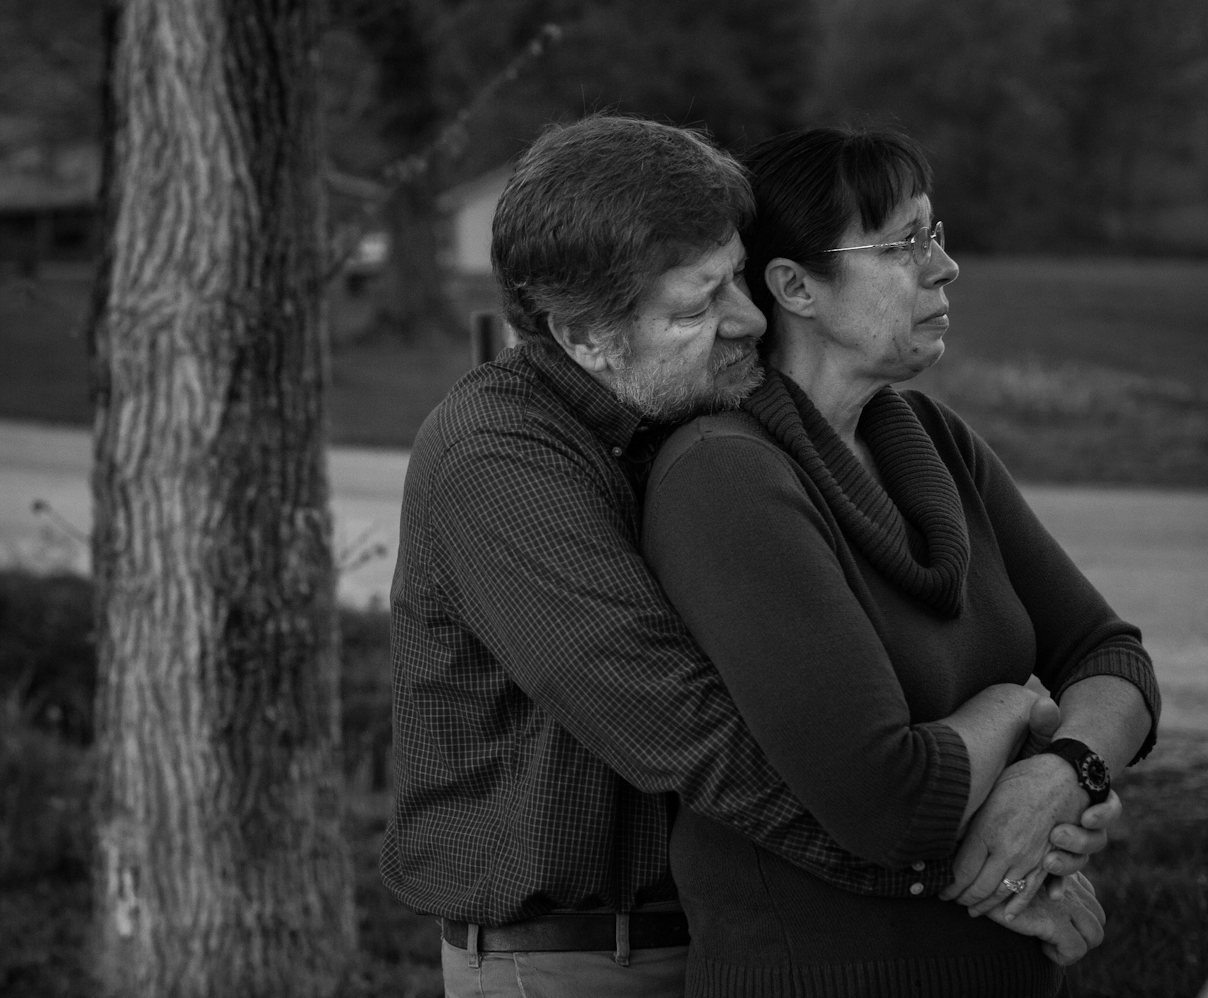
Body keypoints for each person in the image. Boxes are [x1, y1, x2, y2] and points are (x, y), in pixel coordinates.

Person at [382, 115, 1117, 998]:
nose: (745, 319)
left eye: (736, 279)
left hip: (691, 932)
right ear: (583, 336)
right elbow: (706, 744)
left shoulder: (680, 410)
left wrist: (1057, 786)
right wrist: (986, 871)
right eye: (697, 306)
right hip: (567, 961)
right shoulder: (500, 460)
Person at [641, 126, 1160, 997]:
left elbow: (1115, 657)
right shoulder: (725, 476)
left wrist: (1063, 772)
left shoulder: (933, 440)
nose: (944, 266)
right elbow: (889, 800)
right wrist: (1009, 708)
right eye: (904, 243)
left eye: (938, 234)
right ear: (796, 286)